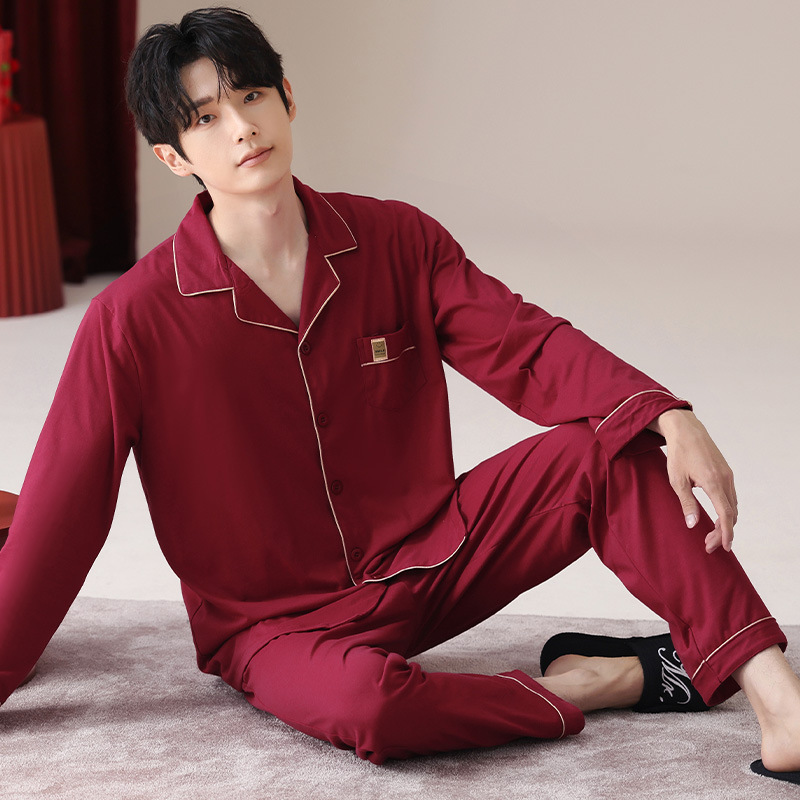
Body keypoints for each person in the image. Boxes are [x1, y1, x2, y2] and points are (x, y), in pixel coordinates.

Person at [1, 6, 799, 781]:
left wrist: (665, 411)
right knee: (373, 708)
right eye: (206, 118)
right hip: (274, 628)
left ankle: (782, 709)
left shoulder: (397, 239)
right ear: (174, 157)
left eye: (252, 95)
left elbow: (524, 347)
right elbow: (63, 515)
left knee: (616, 443)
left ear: (287, 99)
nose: (242, 128)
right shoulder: (130, 321)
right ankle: (601, 680)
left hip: (433, 557)